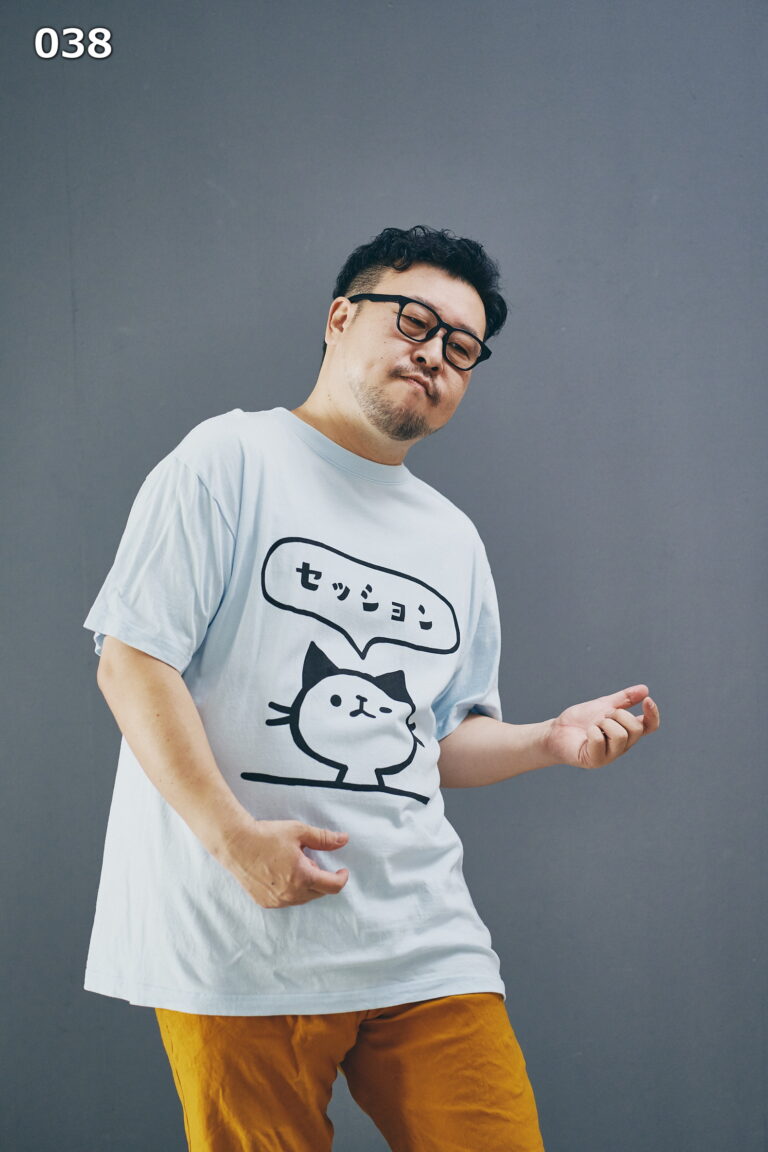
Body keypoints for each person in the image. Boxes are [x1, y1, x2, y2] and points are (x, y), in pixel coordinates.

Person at [83, 225, 660, 1152]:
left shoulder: (452, 539)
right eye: (415, 322)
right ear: (340, 317)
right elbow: (132, 660)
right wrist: (234, 842)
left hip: (421, 940)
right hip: (239, 937)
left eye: (462, 348)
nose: (434, 355)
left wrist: (548, 738)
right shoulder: (228, 458)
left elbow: (434, 741)